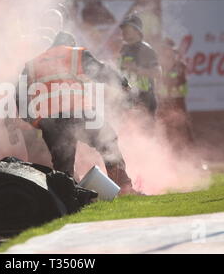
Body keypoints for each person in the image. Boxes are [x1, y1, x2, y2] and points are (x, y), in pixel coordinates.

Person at [16, 31, 138, 194]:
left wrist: (33, 120)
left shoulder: (33, 63)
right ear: (70, 43)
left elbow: (19, 94)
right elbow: (102, 71)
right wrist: (123, 83)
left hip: (51, 121)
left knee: (63, 166)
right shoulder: (76, 54)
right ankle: (124, 189)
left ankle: (68, 199)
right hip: (80, 114)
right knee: (108, 144)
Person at [118, 14, 161, 117]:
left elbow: (157, 73)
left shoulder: (146, 49)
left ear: (137, 30)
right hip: (129, 99)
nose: (123, 31)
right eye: (123, 28)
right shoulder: (124, 49)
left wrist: (136, 69)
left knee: (145, 132)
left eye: (127, 28)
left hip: (145, 99)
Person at [156, 38, 195, 152]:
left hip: (178, 102)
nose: (166, 53)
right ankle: (167, 157)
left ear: (174, 51)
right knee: (163, 132)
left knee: (185, 131)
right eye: (164, 50)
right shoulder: (158, 66)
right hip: (163, 104)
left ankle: (192, 157)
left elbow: (179, 80)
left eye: (169, 50)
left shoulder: (180, 65)